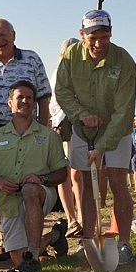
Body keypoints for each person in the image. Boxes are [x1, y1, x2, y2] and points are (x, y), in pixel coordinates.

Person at [55, 10, 136, 264]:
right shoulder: (70, 56)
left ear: (111, 34)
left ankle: (124, 243)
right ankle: (88, 240)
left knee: (116, 181)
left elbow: (124, 112)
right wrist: (81, 114)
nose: (99, 44)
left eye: (105, 37)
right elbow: (62, 91)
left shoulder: (124, 61)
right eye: (93, 38)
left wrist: (101, 148)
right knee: (89, 186)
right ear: (82, 35)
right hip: (83, 130)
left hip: (117, 129)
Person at [0, 18, 51, 262]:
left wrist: (44, 128)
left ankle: (33, 240)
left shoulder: (31, 59)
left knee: (30, 182)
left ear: (14, 35)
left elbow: (43, 97)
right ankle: (5, 240)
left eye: (3, 35)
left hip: (27, 129)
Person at [0, 80, 68, 272]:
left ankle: (34, 255)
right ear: (9, 102)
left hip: (40, 194)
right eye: (20, 97)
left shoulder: (49, 136)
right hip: (8, 202)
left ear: (34, 103)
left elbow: (62, 174)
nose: (25, 101)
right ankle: (55, 235)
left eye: (29, 98)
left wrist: (41, 179)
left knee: (30, 190)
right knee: (19, 260)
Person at [48, 37, 82, 239]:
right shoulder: (58, 73)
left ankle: (82, 216)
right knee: (64, 175)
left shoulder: (85, 72)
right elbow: (55, 102)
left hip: (79, 124)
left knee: (79, 173)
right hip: (63, 124)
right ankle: (71, 219)